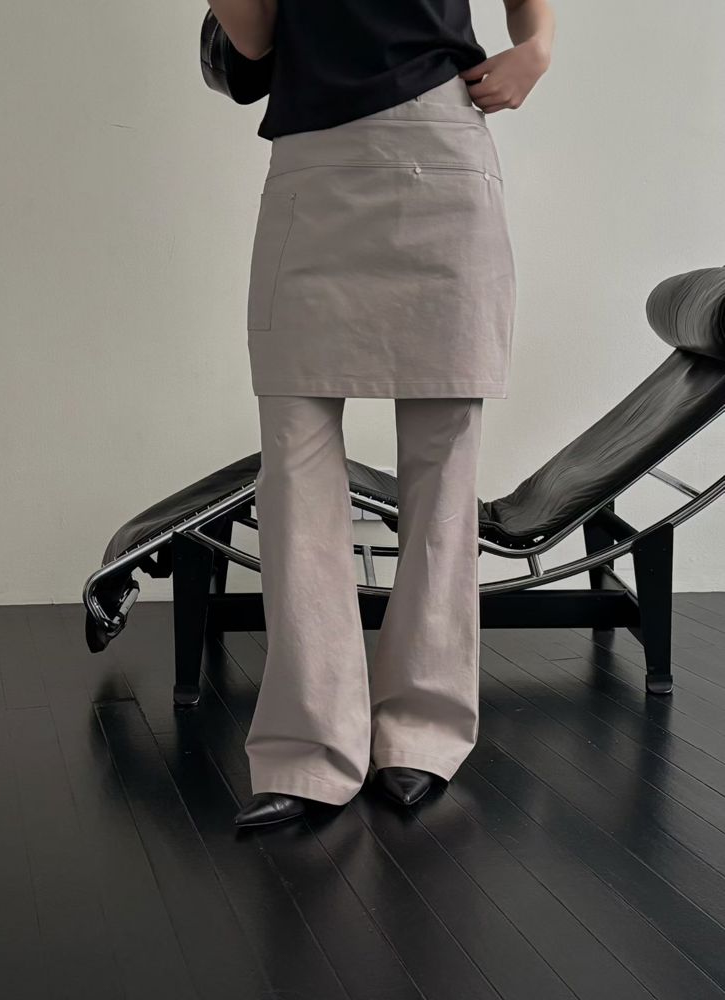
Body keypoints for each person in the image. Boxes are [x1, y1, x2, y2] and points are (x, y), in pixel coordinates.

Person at [207, 0, 555, 828]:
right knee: (294, 469)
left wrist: (537, 47)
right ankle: (308, 751)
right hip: (313, 164)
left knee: (443, 466)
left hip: (442, 146)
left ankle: (422, 733)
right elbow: (252, 37)